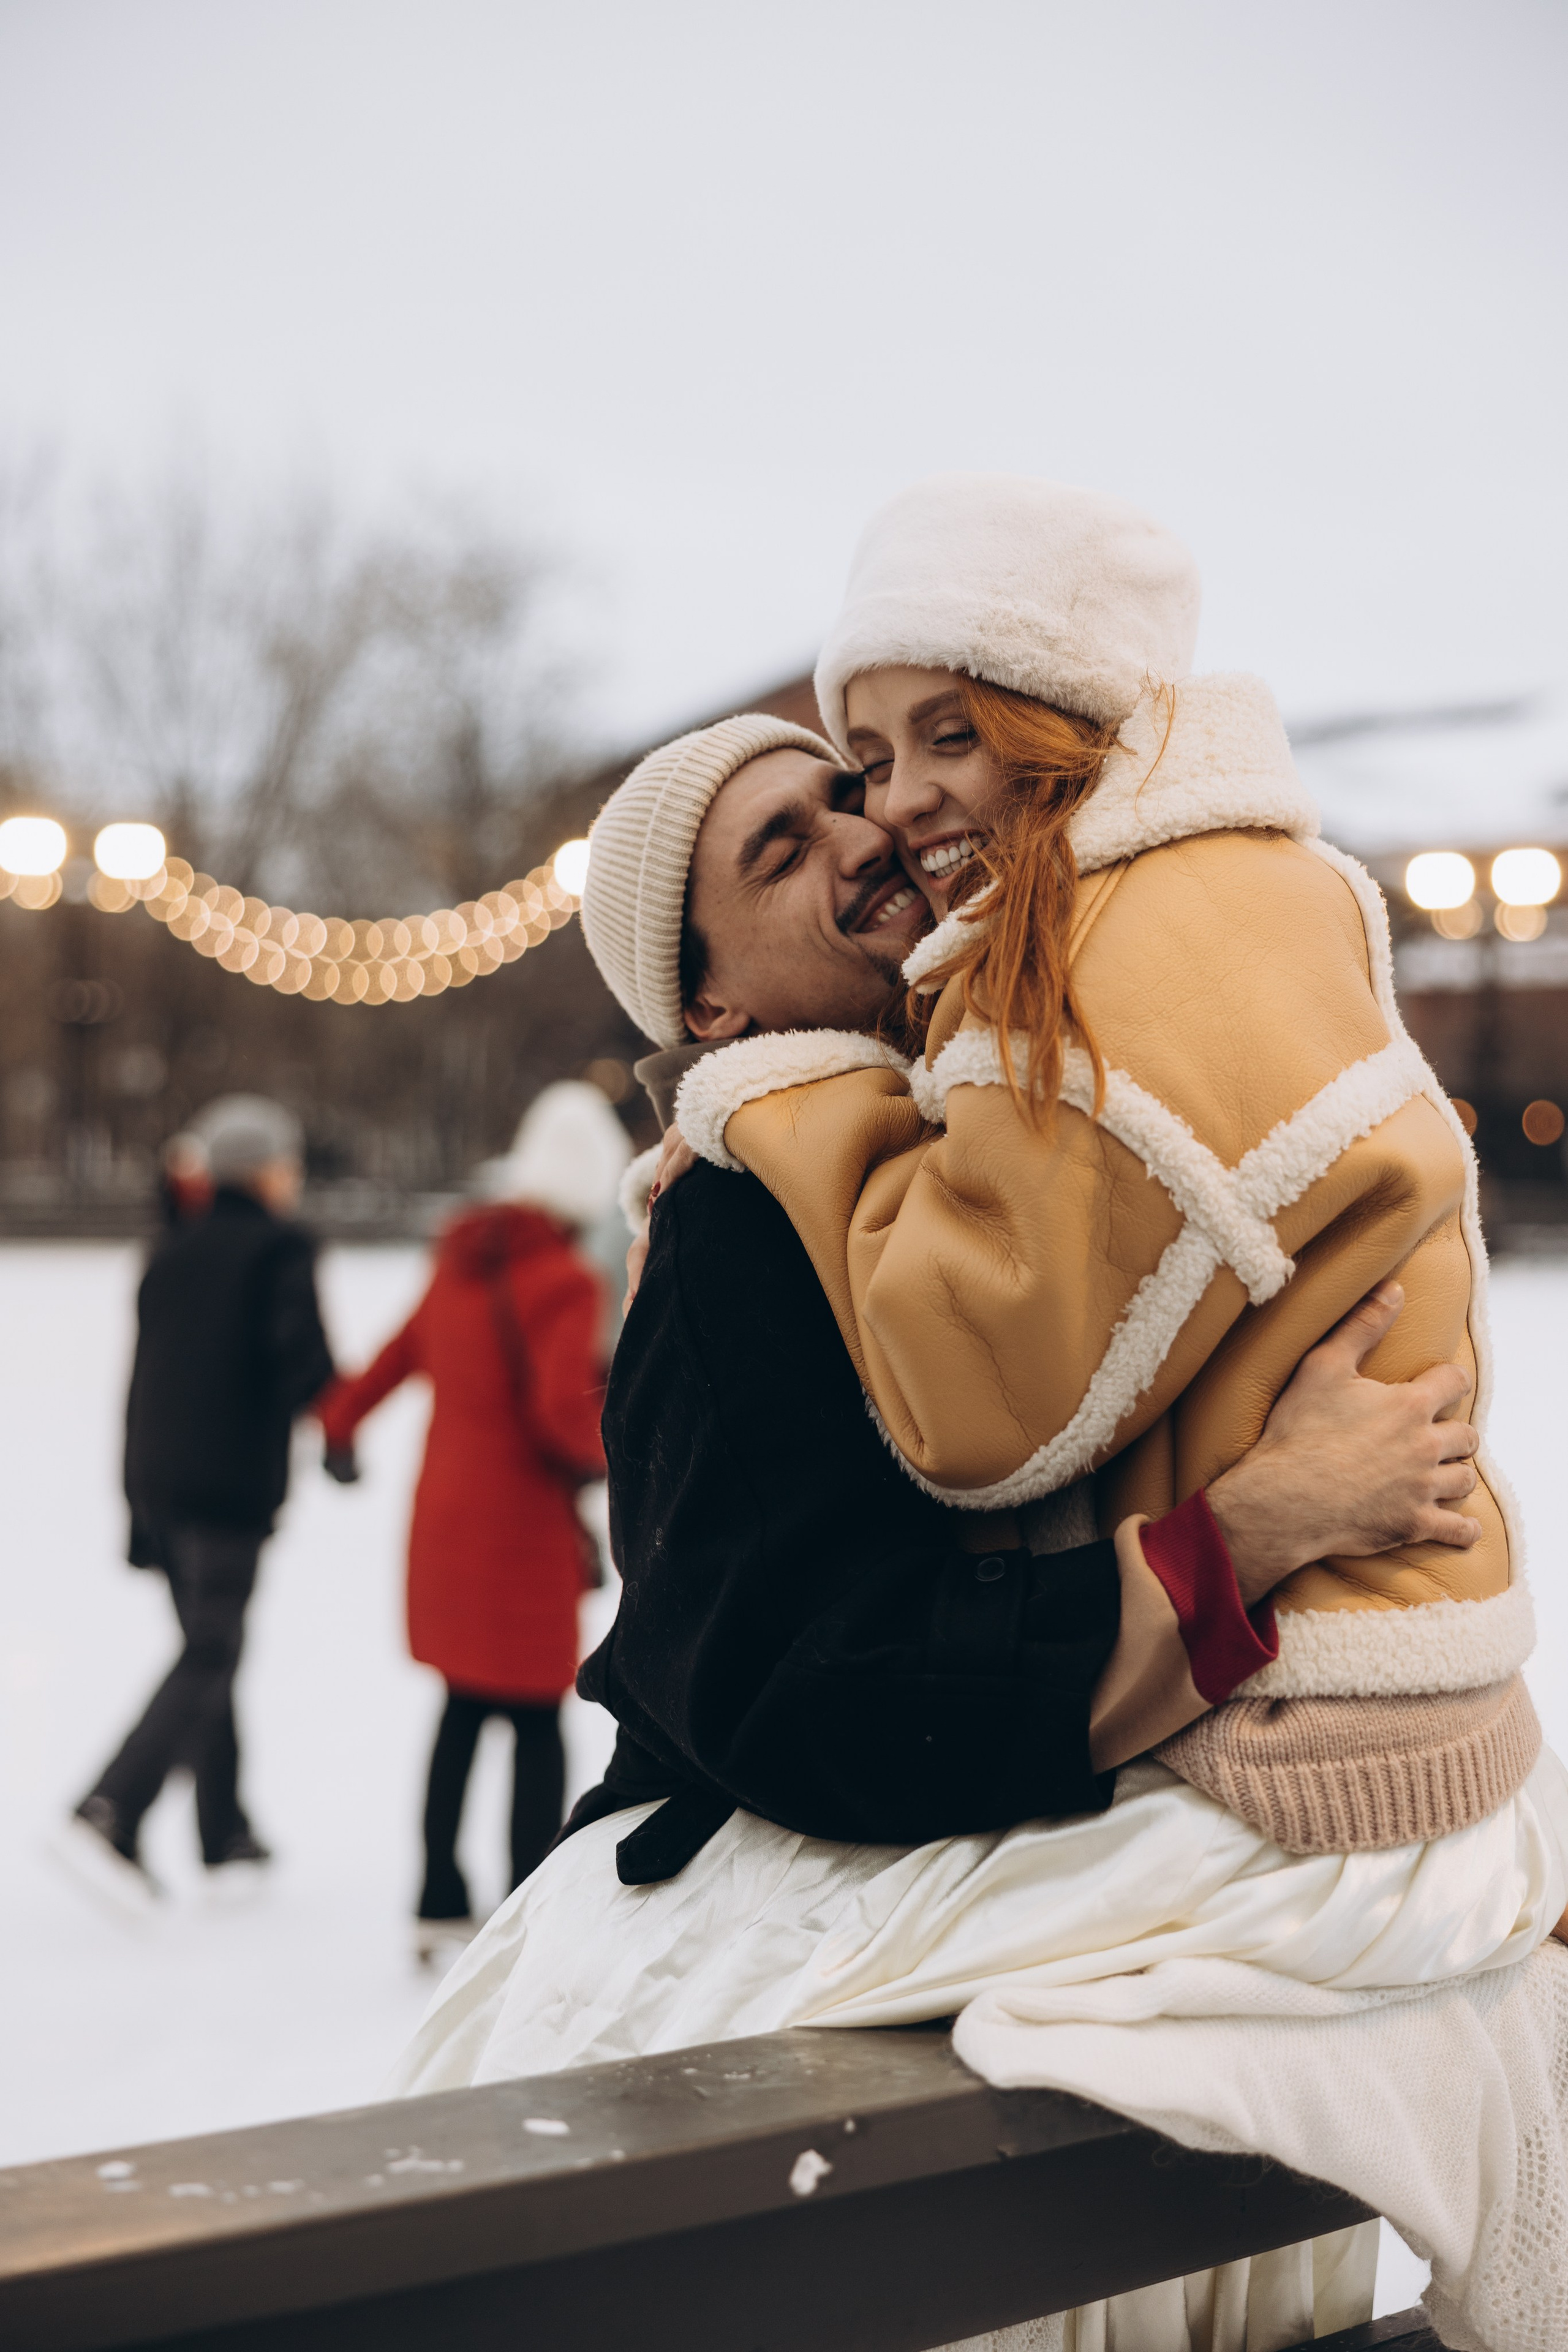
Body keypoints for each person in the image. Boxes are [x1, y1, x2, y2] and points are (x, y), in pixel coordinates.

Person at [664, 477, 1537, 1859]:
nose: (878, 820)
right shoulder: (729, 1223)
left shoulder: (1095, 958)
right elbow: (779, 1677)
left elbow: (975, 1395)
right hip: (1303, 1682)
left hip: (1295, 1715)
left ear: (1054, 713)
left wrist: (794, 1099)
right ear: (700, 1009)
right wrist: (1244, 1531)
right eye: (864, 766)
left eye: (911, 755)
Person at [317, 1083, 627, 1967]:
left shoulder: (462, 1263)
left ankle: (436, 1900)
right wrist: (628, 1448)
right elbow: (562, 1414)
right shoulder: (564, 1280)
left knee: (460, 1712)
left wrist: (339, 1425)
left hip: (445, 1523)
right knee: (534, 1723)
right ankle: (528, 1903)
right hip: (520, 1533)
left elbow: (392, 1357)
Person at [59, 1095, 334, 1911]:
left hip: (161, 1481)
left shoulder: (170, 1249)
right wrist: (342, 1431)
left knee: (208, 1645)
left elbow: (143, 1381)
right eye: (286, 1162)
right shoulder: (280, 1247)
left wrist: (137, 1505)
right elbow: (303, 1362)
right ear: (259, 1170)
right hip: (227, 1486)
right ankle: (113, 1806)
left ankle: (225, 1833)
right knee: (210, 1650)